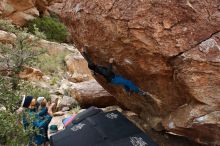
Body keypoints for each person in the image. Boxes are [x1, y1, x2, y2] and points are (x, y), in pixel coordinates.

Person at [82, 47, 146, 96]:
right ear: (93, 65)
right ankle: (138, 91)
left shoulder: (95, 67)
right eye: (92, 63)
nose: (92, 62)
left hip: (114, 77)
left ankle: (128, 91)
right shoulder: (98, 69)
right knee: (127, 82)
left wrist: (84, 53)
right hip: (113, 79)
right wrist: (110, 63)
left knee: (124, 82)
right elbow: (108, 73)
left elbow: (89, 60)